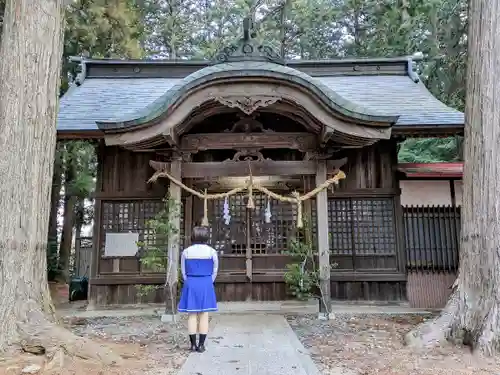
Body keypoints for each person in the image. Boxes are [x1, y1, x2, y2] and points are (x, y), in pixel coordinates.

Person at [178, 225, 219, 353]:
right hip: (206, 281)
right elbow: (215, 270)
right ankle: (201, 345)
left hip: (191, 281)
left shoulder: (186, 252)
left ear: (193, 236)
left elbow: (183, 271)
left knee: (191, 314)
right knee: (204, 314)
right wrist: (208, 280)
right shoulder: (212, 252)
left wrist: (189, 280)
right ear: (206, 237)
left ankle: (192, 345)